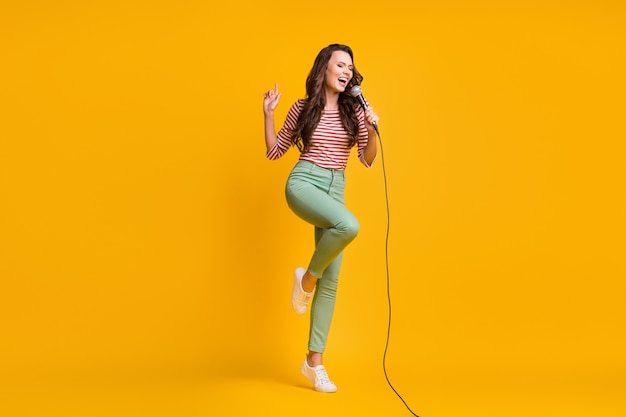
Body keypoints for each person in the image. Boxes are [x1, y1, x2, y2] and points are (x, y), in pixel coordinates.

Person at [262, 43, 379, 393]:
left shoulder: (354, 111)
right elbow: (274, 151)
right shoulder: (303, 108)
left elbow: (368, 159)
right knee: (350, 225)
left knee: (333, 281)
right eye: (340, 64)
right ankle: (306, 281)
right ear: (324, 69)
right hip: (304, 181)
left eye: (350, 66)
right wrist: (268, 113)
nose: (346, 71)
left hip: (336, 187)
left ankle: (314, 363)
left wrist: (372, 127)